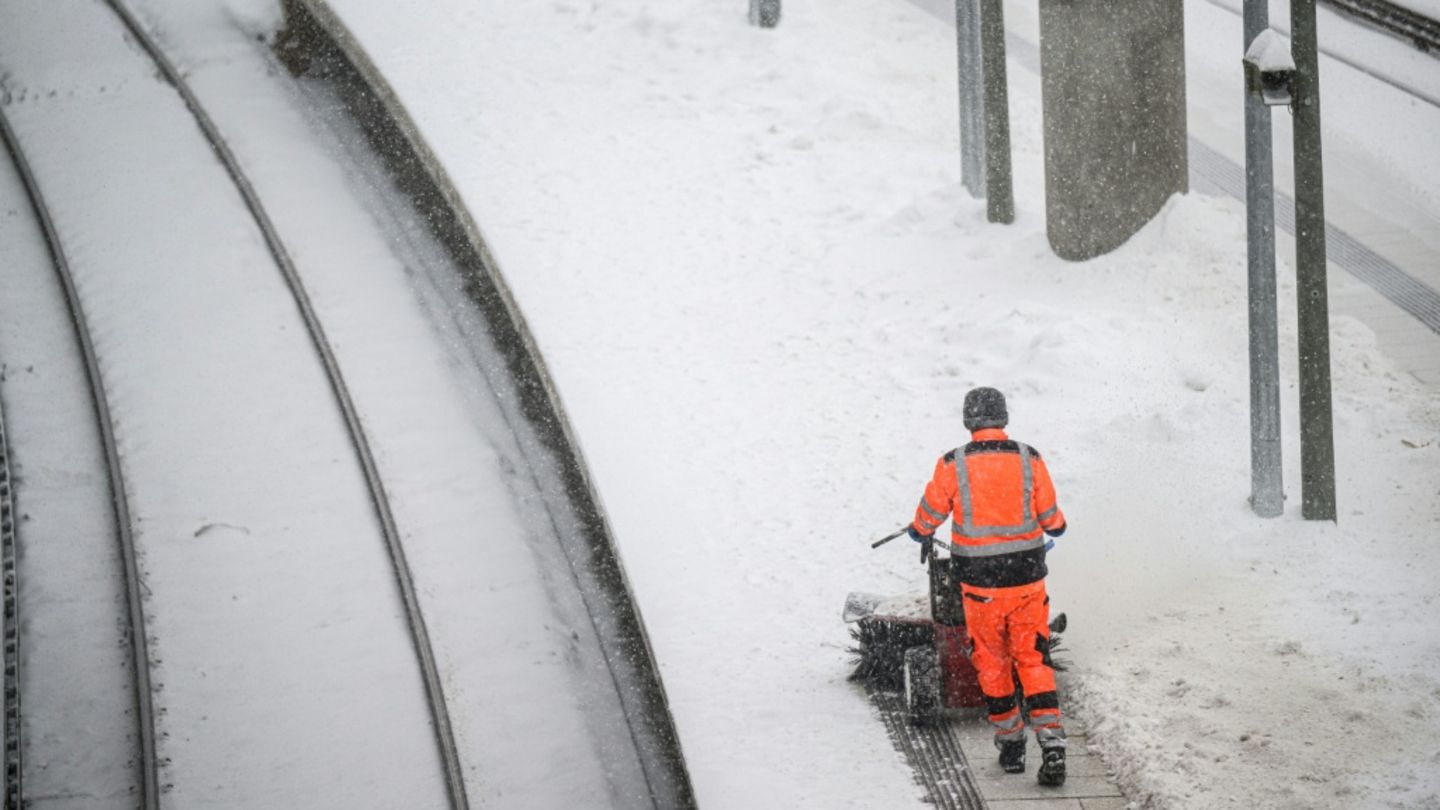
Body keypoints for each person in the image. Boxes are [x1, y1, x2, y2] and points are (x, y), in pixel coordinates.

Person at [907, 386, 1070, 786]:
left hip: (980, 586)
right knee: (1033, 658)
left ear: (968, 421)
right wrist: (1052, 525)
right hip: (1028, 582)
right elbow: (1052, 520)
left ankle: (1011, 743)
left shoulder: (954, 463)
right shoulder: (1029, 458)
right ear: (1004, 418)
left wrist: (918, 530)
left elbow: (929, 516)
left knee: (992, 661)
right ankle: (1051, 741)